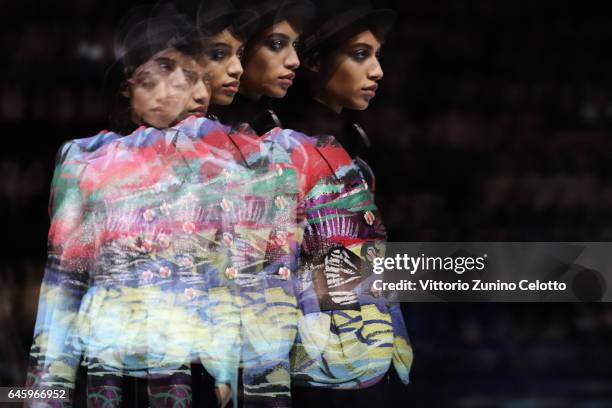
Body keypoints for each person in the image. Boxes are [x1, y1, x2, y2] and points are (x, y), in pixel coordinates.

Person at [24, 9, 235, 408]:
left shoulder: (217, 166)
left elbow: (226, 273)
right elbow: (63, 285)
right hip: (106, 367)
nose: (189, 91)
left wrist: (226, 372)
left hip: (193, 366)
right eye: (167, 69)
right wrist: (42, 395)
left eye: (195, 76)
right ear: (128, 84)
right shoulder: (85, 162)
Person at [263, 1, 414, 405]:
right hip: (304, 365)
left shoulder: (357, 157)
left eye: (376, 56)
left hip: (361, 357)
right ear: (312, 61)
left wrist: (392, 325)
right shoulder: (277, 149)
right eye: (360, 55)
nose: (377, 71)